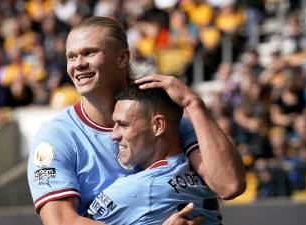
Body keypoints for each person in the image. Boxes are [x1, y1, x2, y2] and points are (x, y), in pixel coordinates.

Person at [27, 16, 245, 225]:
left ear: (123, 58)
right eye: (71, 57)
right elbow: (61, 222)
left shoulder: (163, 118)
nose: (79, 64)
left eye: (89, 53)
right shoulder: (56, 137)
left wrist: (192, 103)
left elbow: (229, 185)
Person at [87, 85, 222, 225]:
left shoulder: (133, 190)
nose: (113, 135)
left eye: (123, 125)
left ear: (158, 125)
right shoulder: (206, 173)